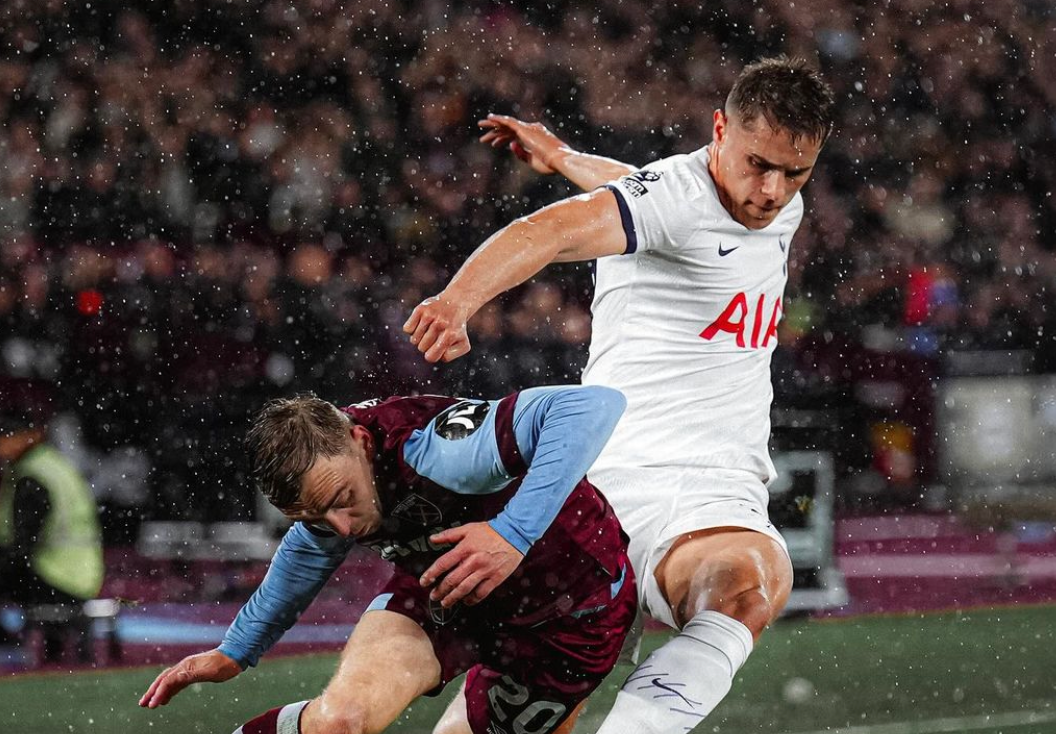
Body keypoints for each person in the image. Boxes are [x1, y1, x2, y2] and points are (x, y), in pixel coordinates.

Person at [404, 56, 835, 734]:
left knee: (747, 586)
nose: (772, 191)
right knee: (509, 721)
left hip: (711, 493)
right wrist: (459, 300)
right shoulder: (673, 196)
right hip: (599, 489)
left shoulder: (768, 201)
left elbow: (628, 187)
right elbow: (550, 231)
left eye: (795, 172)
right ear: (718, 130)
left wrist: (565, 155)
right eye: (758, 165)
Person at [139, 385, 636, 734]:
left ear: (361, 441)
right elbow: (304, 552)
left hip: (570, 619)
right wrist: (235, 651)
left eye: (341, 498)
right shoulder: (332, 487)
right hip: (443, 592)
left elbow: (592, 405)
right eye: (314, 516)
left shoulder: (438, 448)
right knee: (340, 721)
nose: (344, 530)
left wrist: (512, 533)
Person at [0, 383, 105, 662]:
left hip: (58, 578)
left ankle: (5, 642)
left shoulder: (33, 478)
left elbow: (22, 548)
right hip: (83, 575)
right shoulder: (53, 464)